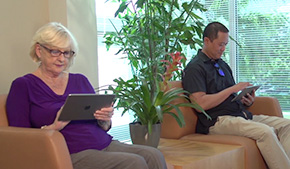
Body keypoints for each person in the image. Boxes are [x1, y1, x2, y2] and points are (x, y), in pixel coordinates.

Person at [6, 22, 167, 169]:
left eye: (67, 53)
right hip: (70, 152)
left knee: (154, 155)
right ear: (39, 50)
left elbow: (104, 127)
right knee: (134, 163)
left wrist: (104, 120)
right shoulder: (23, 85)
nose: (62, 58)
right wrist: (54, 127)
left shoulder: (80, 80)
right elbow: (20, 139)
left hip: (103, 142)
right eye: (55, 51)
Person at [182, 22, 290, 169]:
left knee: (286, 125)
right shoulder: (195, 68)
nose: (223, 49)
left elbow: (229, 97)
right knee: (265, 132)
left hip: (240, 115)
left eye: (225, 44)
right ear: (207, 41)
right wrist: (232, 88)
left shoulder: (222, 65)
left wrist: (247, 101)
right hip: (217, 121)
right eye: (220, 44)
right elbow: (200, 104)